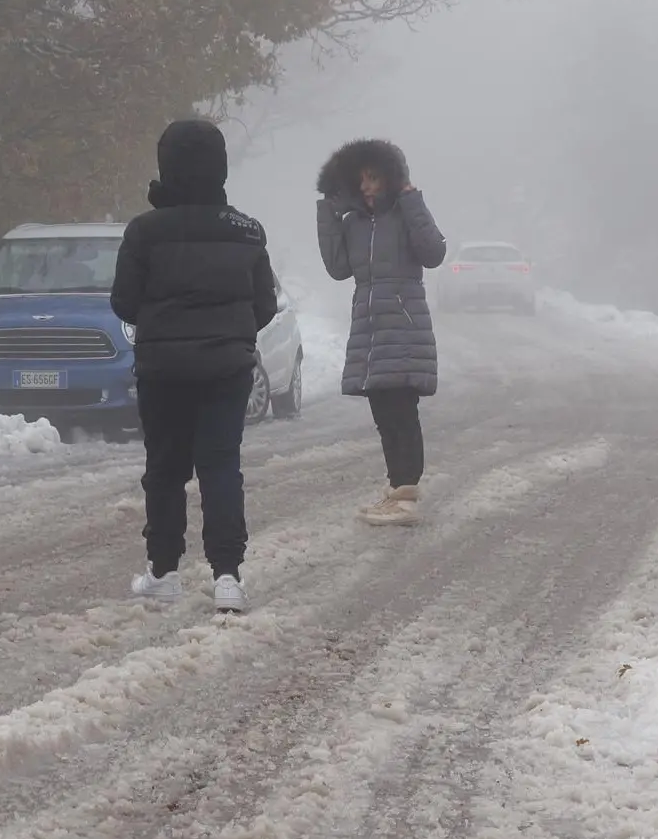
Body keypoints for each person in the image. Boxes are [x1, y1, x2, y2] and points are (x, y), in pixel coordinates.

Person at [111, 118, 278, 613]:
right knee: (221, 465)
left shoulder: (144, 232)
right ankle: (228, 576)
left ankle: (163, 572)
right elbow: (264, 305)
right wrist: (232, 331)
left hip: (162, 367)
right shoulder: (247, 231)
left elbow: (124, 302)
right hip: (228, 367)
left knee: (164, 468)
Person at [316, 139, 447, 525]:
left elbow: (434, 252)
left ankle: (406, 493)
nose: (367, 187)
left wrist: (411, 199)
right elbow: (338, 267)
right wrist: (328, 209)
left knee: (401, 410)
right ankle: (396, 488)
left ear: (391, 178)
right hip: (370, 331)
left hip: (404, 327)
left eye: (374, 178)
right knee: (383, 412)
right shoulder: (354, 223)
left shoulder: (406, 214)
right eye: (361, 180)